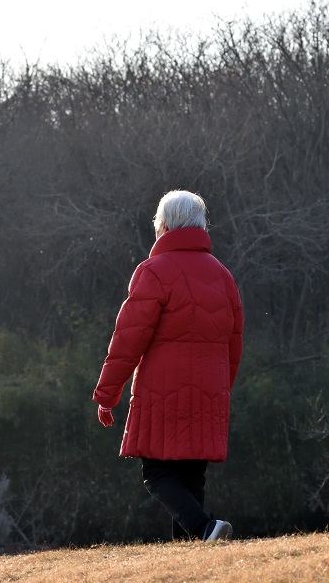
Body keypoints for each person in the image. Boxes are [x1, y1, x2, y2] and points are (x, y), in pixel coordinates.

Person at [92, 190, 244, 542]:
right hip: (209, 394)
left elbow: (127, 340)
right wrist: (220, 391)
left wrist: (107, 394)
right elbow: (233, 346)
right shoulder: (223, 276)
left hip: (163, 395)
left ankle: (207, 528)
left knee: (158, 474)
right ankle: (193, 556)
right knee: (191, 479)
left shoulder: (153, 272)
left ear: (162, 226)